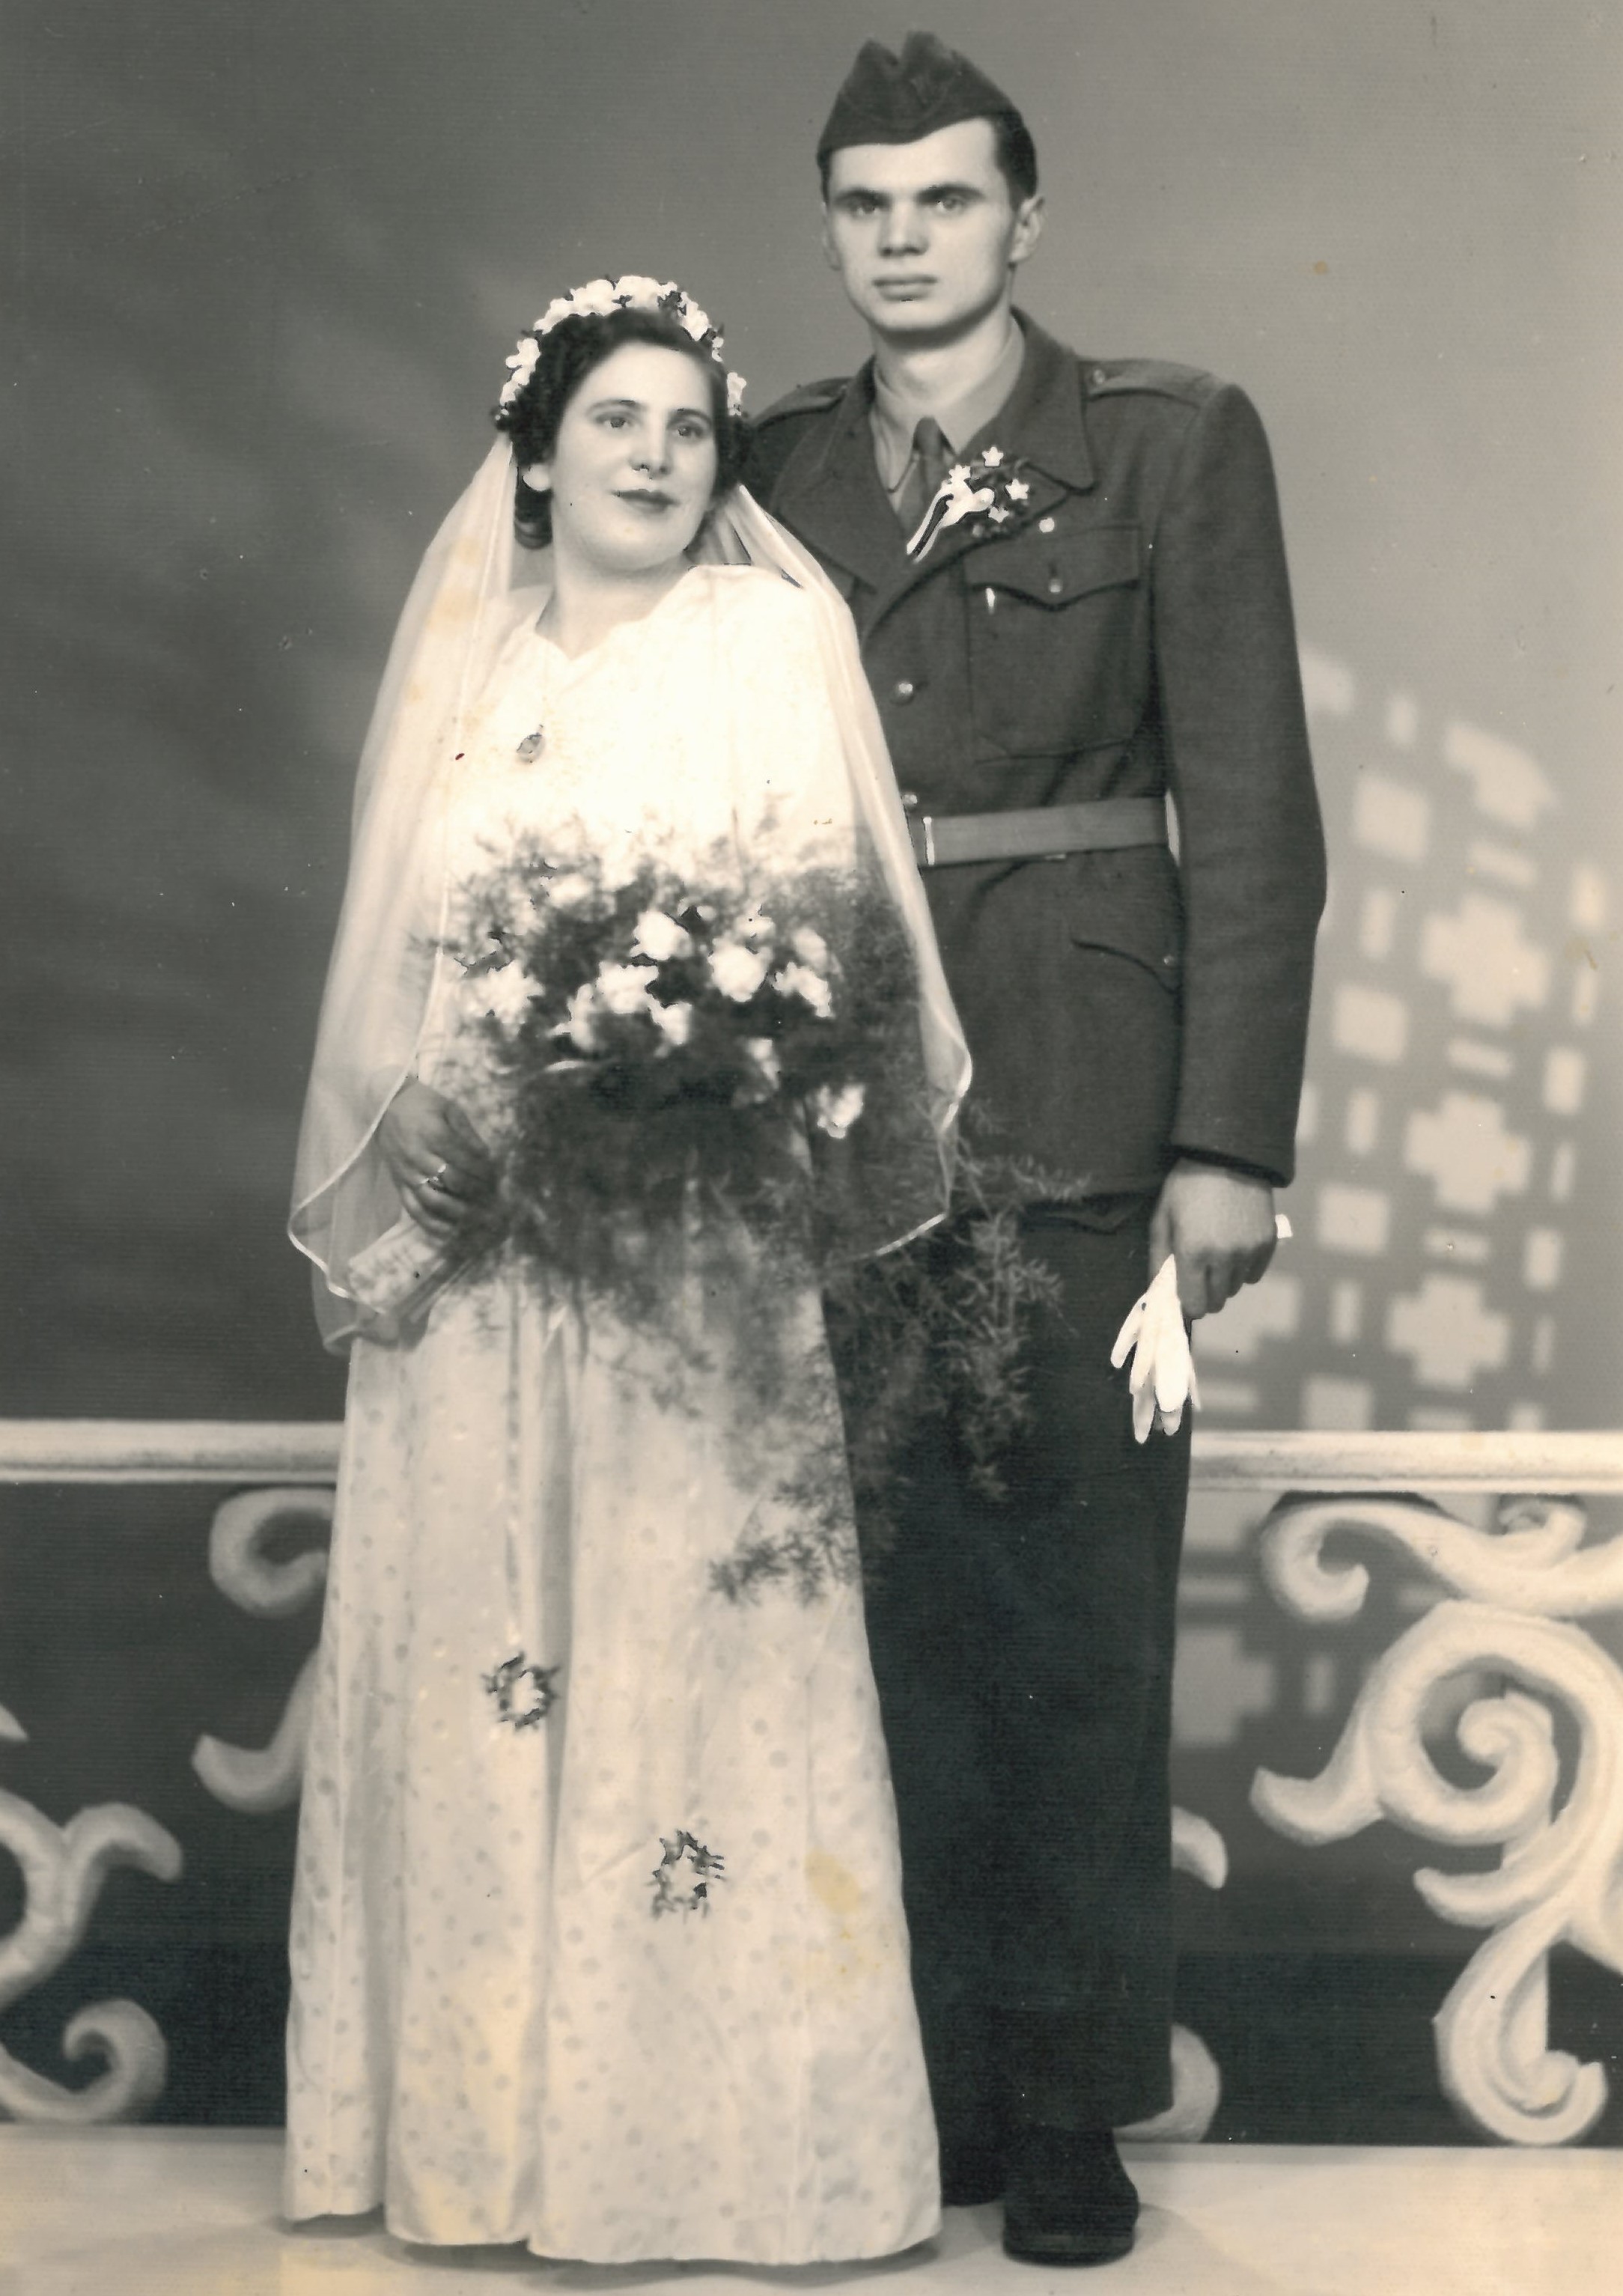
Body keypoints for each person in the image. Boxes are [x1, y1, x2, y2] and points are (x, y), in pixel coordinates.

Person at [284, 276, 968, 2264]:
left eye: (688, 427)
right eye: (616, 422)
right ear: (537, 453)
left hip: (680, 1235)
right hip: (480, 1248)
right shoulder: (474, 666)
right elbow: (399, 954)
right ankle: (479, 2145)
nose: (657, 457)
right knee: (488, 1659)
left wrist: (664, 1085)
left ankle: (702, 2154)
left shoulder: (766, 640)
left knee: (684, 1658)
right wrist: (410, 1103)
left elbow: (829, 929)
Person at [746, 32, 1327, 2268]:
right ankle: (939, 2088)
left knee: (1076, 1620)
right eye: (866, 206)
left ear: (1025, 220)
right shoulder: (775, 464)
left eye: (947, 201)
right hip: (838, 1103)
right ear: (832, 228)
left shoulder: (1166, 440)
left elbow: (1253, 810)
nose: (904, 241)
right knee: (885, 1619)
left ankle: (1074, 2107)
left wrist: (1227, 1141)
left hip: (1085, 1093)